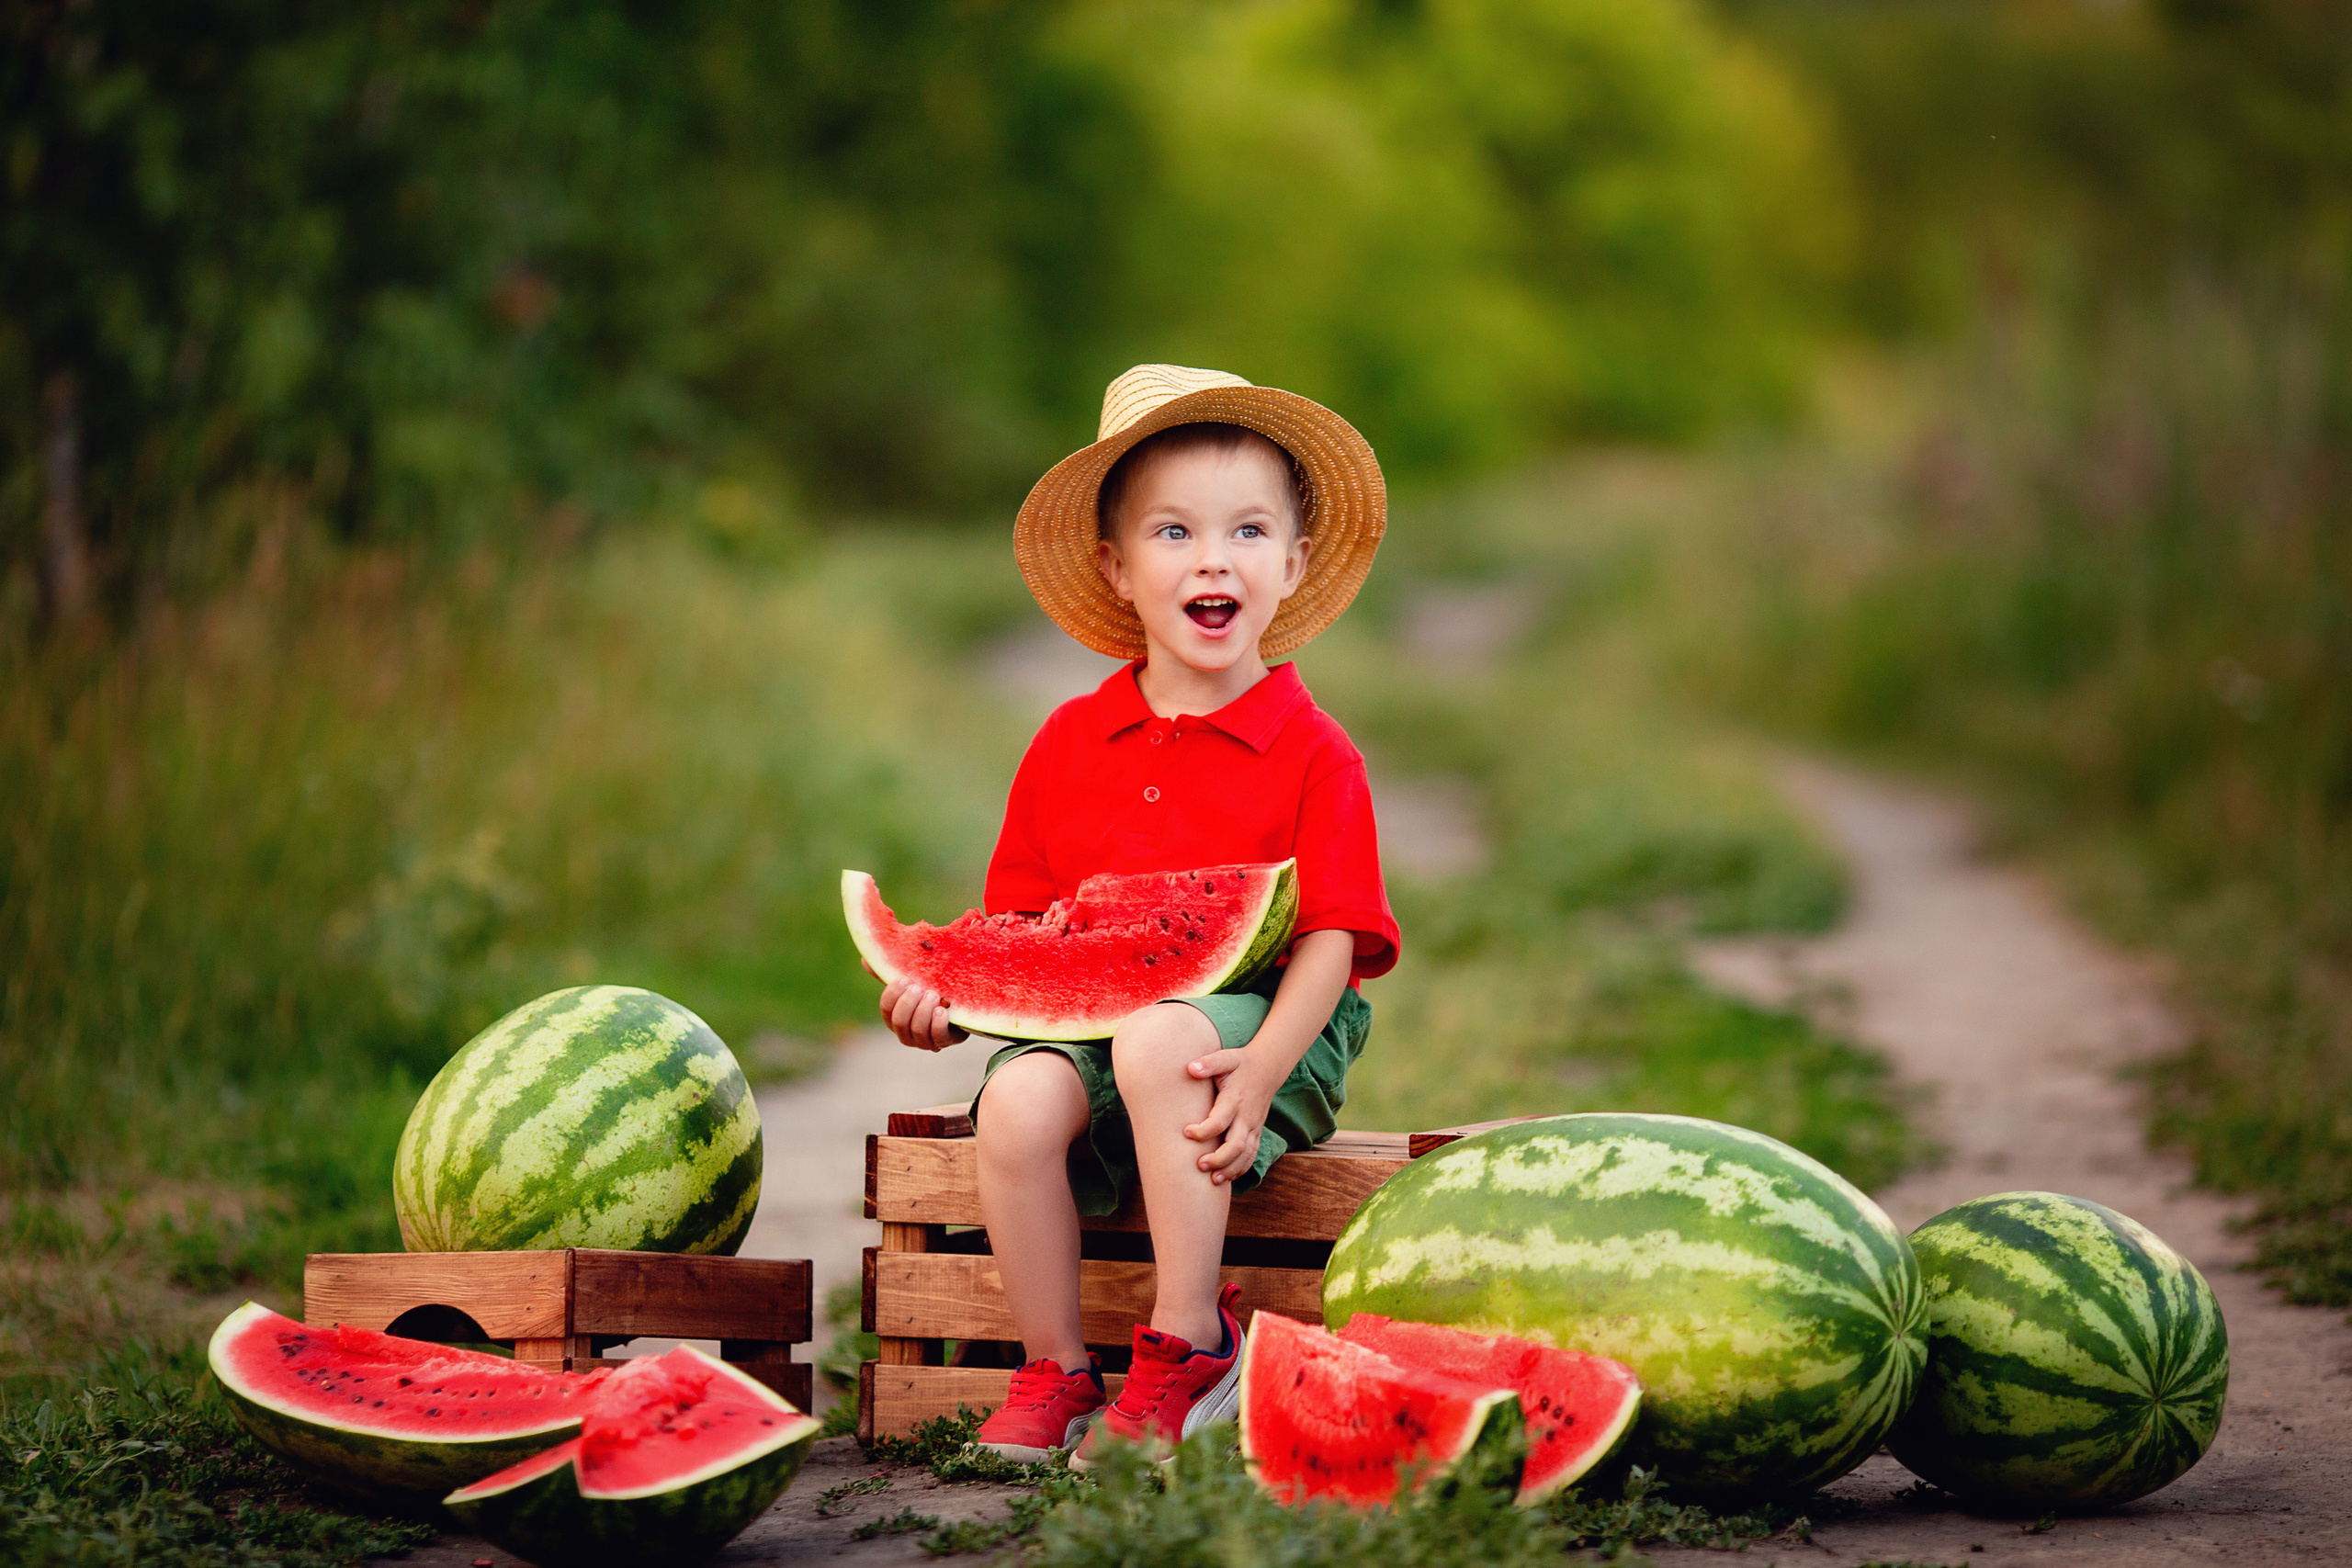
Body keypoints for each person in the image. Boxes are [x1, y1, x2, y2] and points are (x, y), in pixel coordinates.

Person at [873, 364, 1398, 1467]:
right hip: (1099, 1039)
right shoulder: (1068, 741)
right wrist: (944, 1005)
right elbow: (1023, 945)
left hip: (1273, 1028)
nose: (1213, 558)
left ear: (1293, 562)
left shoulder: (1316, 751)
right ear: (1116, 567)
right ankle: (1055, 1368)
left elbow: (1333, 942)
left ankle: (1187, 1342)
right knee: (1017, 1103)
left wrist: (1261, 1069)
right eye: (1173, 531)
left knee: (1163, 1037)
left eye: (1248, 529)